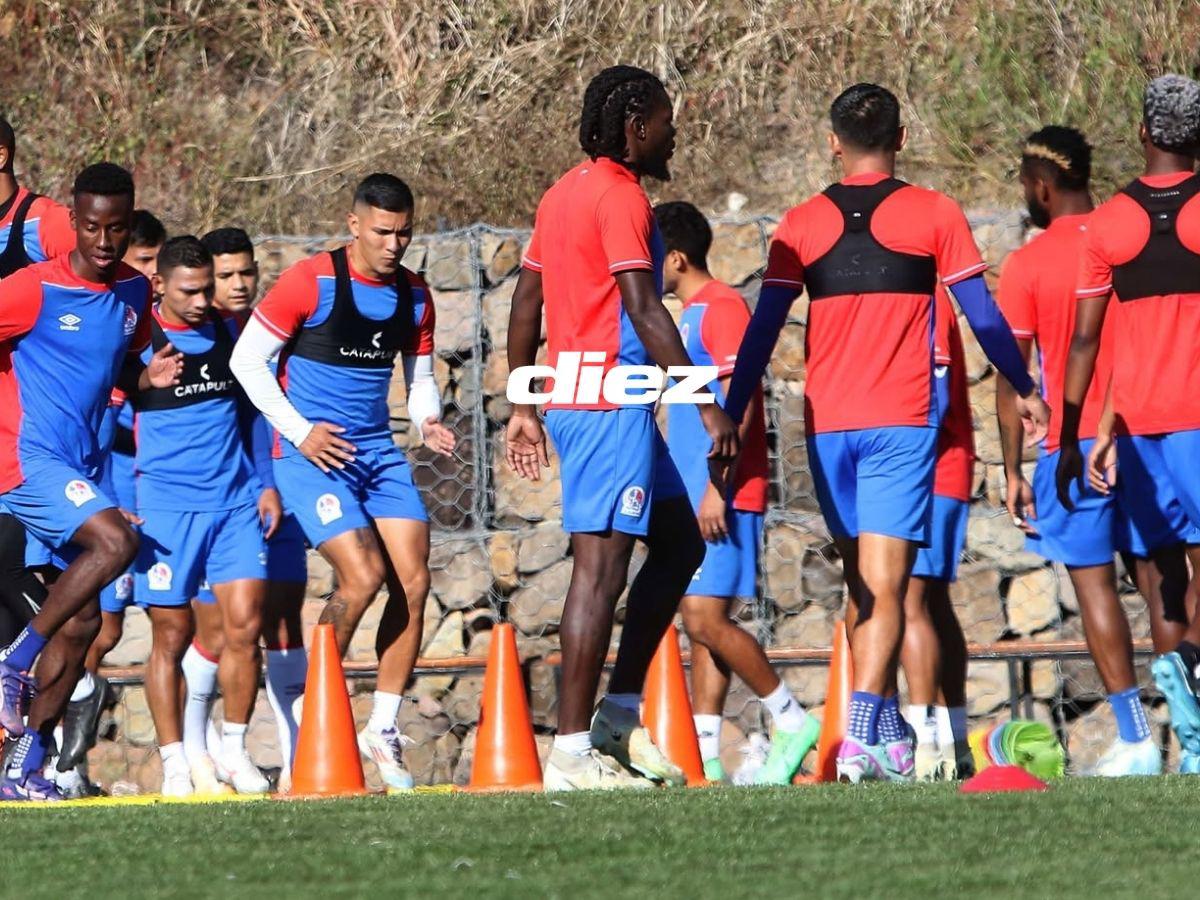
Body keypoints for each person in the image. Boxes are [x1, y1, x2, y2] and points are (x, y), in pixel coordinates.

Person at [724, 83, 1048, 784]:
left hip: (829, 426)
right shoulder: (936, 213)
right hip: (900, 422)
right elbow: (983, 317)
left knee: (867, 587)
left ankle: (874, 729)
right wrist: (1024, 387)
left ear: (833, 142)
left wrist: (731, 403)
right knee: (886, 584)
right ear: (901, 138)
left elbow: (762, 332)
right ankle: (873, 725)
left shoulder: (801, 224)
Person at [504, 66, 739, 791]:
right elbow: (646, 309)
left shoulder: (563, 192)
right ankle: (571, 756)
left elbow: (525, 300)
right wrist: (705, 401)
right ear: (638, 127)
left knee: (673, 543)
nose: (674, 132)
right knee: (600, 573)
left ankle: (616, 717)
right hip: (607, 406)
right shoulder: (621, 198)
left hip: (600, 402)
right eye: (667, 120)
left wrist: (522, 401)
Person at [231, 174, 455, 791]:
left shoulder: (414, 295)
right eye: (382, 231)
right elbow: (246, 362)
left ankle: (381, 726)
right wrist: (301, 432)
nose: (394, 243)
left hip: (378, 453)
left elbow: (423, 375)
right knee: (363, 577)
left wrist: (429, 417)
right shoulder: (311, 280)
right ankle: (313, 710)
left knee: (414, 579)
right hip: (311, 457)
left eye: (404, 231)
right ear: (355, 224)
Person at [0, 163, 182, 801]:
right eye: (93, 227)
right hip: (27, 460)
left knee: (79, 630)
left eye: (117, 229)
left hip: (77, 468)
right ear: (71, 223)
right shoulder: (31, 289)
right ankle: (15, 660)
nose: (104, 241)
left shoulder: (133, 293)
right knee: (115, 545)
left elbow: (123, 373)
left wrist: (145, 383)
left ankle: (24, 767)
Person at [1057, 75, 1200, 772]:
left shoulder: (1106, 225)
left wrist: (1075, 435)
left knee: (1165, 580)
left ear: (1144, 133)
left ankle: (1194, 738)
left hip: (1140, 427)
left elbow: (1086, 342)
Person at [652, 200, 818, 784]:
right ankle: (705, 759)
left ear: (673, 257)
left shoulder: (720, 309)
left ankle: (792, 719)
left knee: (703, 618)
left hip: (718, 493)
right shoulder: (686, 315)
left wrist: (718, 487)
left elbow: (740, 402)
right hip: (695, 491)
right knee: (701, 622)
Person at [126, 236, 274, 796]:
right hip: (165, 509)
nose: (201, 299)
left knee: (245, 626)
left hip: (234, 504)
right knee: (172, 633)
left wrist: (264, 483)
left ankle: (233, 750)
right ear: (159, 285)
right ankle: (175, 762)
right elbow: (104, 417)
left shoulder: (232, 332)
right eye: (189, 290)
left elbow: (253, 411)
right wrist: (114, 497)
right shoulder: (139, 341)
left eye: (206, 287)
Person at [180, 226, 308, 793]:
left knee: (280, 619)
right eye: (225, 275)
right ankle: (195, 749)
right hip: (222, 501)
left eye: (246, 273)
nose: (237, 284)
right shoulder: (203, 336)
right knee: (218, 629)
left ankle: (300, 758)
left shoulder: (269, 327)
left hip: (278, 491)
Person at [900, 286, 973, 781]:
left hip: (928, 470)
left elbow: (937, 394)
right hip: (930, 469)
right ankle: (955, 741)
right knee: (933, 604)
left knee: (909, 601)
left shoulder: (927, 296)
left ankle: (924, 744)